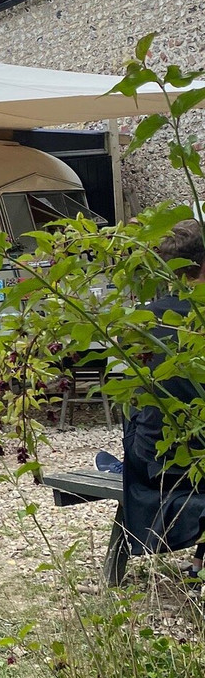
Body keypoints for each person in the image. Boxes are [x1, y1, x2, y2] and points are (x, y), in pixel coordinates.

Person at [122, 218, 205, 579]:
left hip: (152, 462)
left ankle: (199, 561)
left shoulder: (144, 320)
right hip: (190, 464)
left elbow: (133, 400)